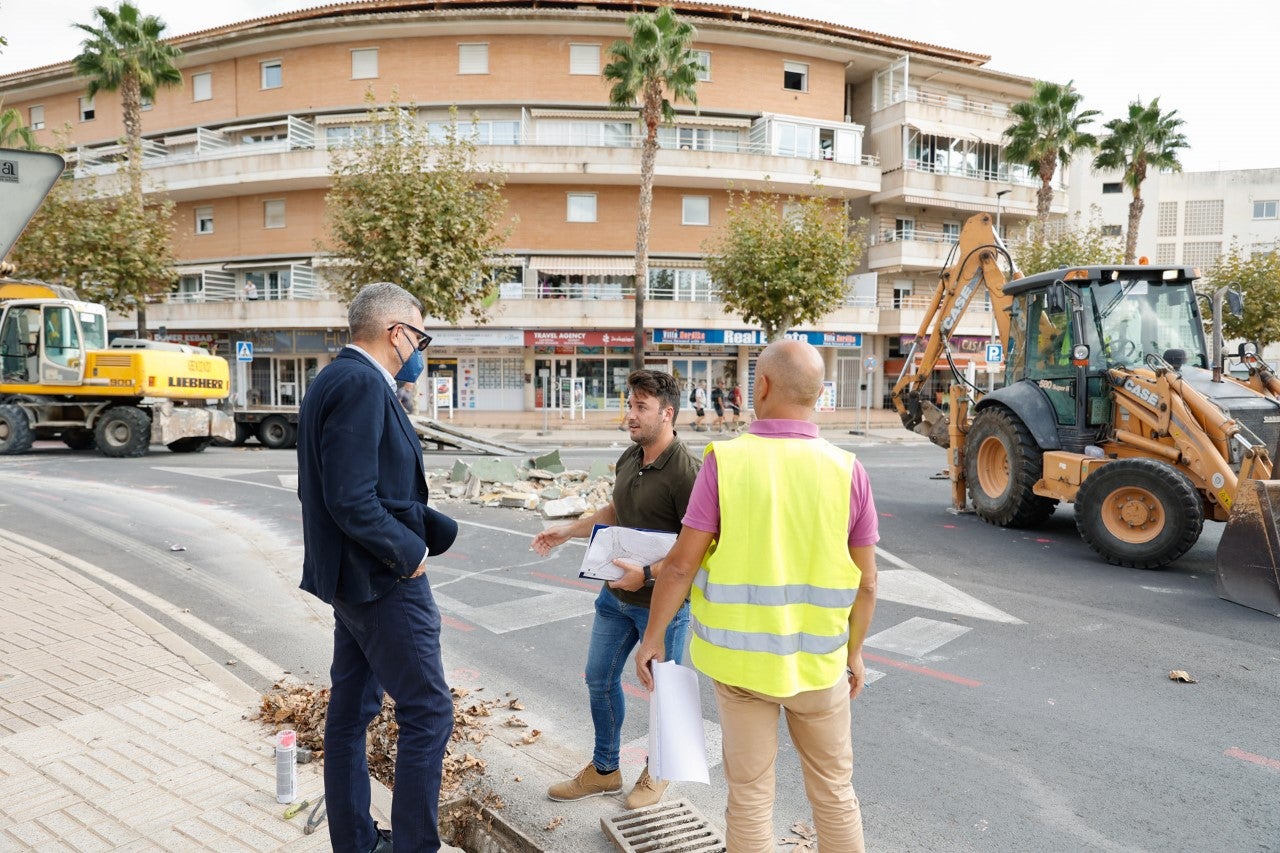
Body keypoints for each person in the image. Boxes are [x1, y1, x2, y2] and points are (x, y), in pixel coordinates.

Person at [635, 339, 879, 852]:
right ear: (817, 395)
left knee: (748, 797)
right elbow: (868, 581)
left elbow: (682, 565)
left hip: (741, 669)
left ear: (762, 386)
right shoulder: (846, 469)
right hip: (819, 668)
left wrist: (653, 637)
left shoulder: (726, 461)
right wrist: (853, 651)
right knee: (835, 794)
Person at [297, 281, 461, 853]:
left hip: (351, 580)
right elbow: (350, 498)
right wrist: (410, 553)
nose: (422, 347)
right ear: (397, 333)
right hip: (381, 580)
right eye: (420, 335)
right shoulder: (362, 383)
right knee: (428, 713)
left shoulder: (337, 379)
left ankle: (356, 840)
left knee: (351, 712)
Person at [531, 369, 700, 809]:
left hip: (661, 607)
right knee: (598, 680)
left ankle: (659, 773)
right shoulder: (631, 457)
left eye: (641, 407)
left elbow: (693, 551)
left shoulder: (687, 473)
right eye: (630, 404)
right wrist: (568, 531)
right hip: (615, 600)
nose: (630, 414)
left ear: (667, 414)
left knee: (667, 694)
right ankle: (605, 770)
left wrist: (643, 576)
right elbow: (616, 508)